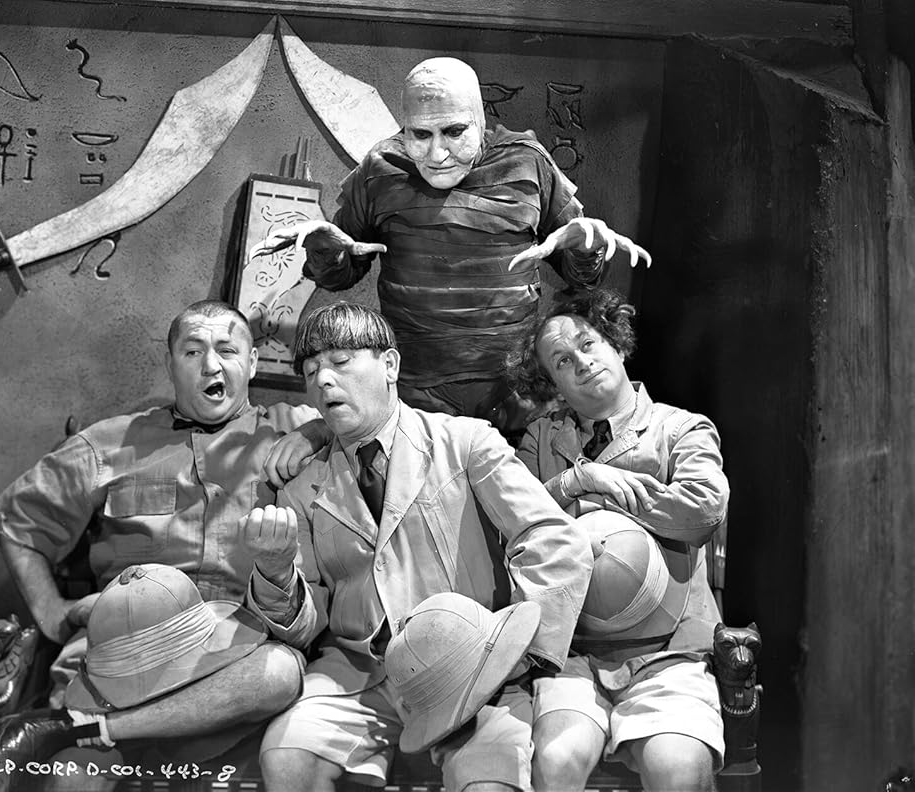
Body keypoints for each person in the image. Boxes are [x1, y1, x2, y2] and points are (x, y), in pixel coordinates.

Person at [0, 300, 327, 792]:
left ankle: (73, 729)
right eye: (193, 351)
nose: (211, 365)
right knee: (74, 779)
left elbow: (379, 421)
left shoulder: (293, 432)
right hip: (120, 649)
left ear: (253, 363)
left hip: (236, 651)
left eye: (227, 350)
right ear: (170, 363)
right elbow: (17, 521)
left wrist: (317, 431)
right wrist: (54, 614)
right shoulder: (111, 444)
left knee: (279, 673)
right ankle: (87, 733)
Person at [241, 301, 593, 792]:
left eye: (340, 362)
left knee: (489, 783)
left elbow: (553, 538)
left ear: (390, 365)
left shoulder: (465, 443)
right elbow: (305, 626)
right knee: (287, 756)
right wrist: (276, 573)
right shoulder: (302, 487)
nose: (323, 380)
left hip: (474, 670)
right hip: (360, 676)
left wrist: (517, 653)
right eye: (311, 370)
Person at [253, 56, 651, 438]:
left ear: (480, 119)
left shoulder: (527, 162)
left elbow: (583, 279)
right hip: (415, 396)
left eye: (455, 132)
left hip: (517, 392)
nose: (438, 154)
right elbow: (341, 275)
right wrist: (325, 250)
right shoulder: (380, 168)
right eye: (420, 135)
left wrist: (585, 250)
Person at [506, 288, 729, 792]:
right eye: (563, 361)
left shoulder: (680, 428)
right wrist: (575, 480)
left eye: (588, 344)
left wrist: (608, 499)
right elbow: (514, 521)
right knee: (555, 762)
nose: (582, 362)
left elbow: (702, 511)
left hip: (670, 653)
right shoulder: (541, 439)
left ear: (617, 344)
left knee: (678, 769)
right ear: (554, 384)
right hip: (573, 653)